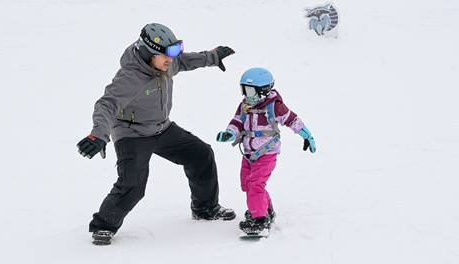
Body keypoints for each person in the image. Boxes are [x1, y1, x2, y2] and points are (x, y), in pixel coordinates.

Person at [77, 23, 236, 245]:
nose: (171, 60)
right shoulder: (130, 77)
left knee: (201, 154)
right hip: (132, 133)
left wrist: (211, 57)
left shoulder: (165, 63)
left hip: (161, 127)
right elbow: (107, 105)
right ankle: (104, 225)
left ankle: (205, 209)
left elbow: (183, 61)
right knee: (133, 184)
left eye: (174, 52)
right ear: (147, 52)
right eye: (166, 55)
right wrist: (98, 134)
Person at [216, 67, 316, 235]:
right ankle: (264, 209)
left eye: (250, 91)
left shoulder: (275, 106)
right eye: (243, 90)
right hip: (248, 154)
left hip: (266, 154)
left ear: (263, 91)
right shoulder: (245, 105)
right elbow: (237, 122)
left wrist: (307, 136)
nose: (246, 95)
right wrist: (229, 133)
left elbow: (292, 120)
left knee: (255, 185)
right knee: (247, 184)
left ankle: (260, 220)